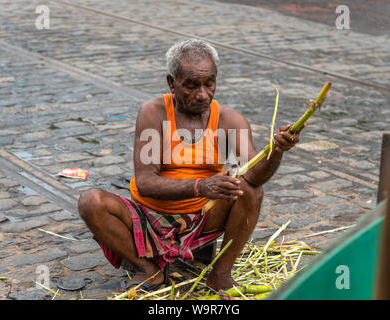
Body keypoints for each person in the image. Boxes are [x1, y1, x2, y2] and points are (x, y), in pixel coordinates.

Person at [78, 39, 304, 292]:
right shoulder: (155, 112)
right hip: (149, 216)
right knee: (91, 202)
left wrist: (276, 152)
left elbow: (253, 175)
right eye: (191, 85)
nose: (203, 95)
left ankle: (220, 274)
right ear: (171, 82)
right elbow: (146, 182)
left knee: (249, 190)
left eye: (210, 84)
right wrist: (201, 185)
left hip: (201, 218)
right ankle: (148, 270)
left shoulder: (228, 120)